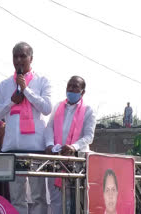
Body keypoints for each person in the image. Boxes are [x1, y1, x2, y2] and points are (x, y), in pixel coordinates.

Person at [0, 42, 51, 214]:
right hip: (12, 148)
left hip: (35, 148)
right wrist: (11, 101)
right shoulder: (4, 85)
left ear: (31, 58)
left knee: (38, 196)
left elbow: (47, 108)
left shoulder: (42, 81)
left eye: (22, 56)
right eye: (15, 56)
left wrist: (26, 90)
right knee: (17, 197)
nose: (18, 60)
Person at [44, 76, 96, 214]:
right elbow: (49, 128)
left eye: (75, 87)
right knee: (56, 201)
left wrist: (74, 147)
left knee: (76, 202)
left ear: (82, 92)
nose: (71, 89)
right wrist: (49, 144)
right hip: (56, 160)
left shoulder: (88, 110)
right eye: (69, 86)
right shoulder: (58, 107)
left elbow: (88, 137)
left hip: (77, 163)